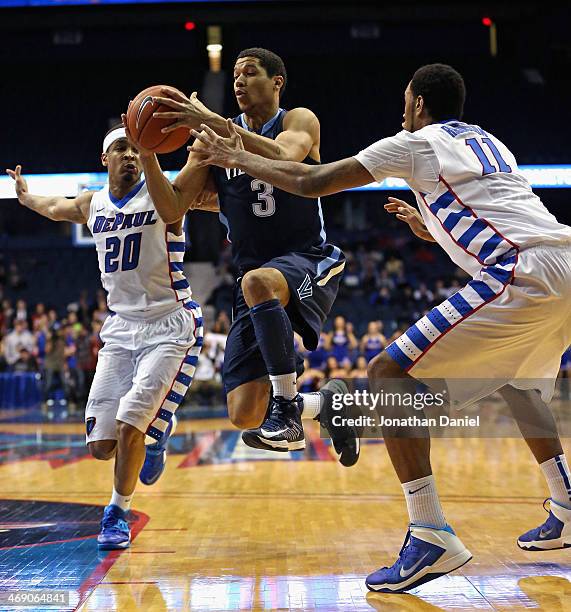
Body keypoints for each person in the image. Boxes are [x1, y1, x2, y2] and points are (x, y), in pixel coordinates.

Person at [190, 63, 571, 592]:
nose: (402, 110)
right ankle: (566, 503)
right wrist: (431, 228)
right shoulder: (488, 142)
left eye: (405, 101)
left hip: (522, 271)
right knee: (520, 383)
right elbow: (504, 208)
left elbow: (311, 180)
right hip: (563, 260)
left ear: (416, 103)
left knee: (388, 370)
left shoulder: (412, 143)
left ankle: (429, 530)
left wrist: (235, 155)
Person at [129, 47, 359, 465]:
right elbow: (174, 206)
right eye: (234, 75)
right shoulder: (211, 139)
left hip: (307, 257)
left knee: (259, 281)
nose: (237, 81)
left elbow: (286, 157)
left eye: (249, 73)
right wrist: (148, 154)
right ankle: (326, 405)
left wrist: (212, 126)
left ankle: (287, 412)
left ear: (276, 82)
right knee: (244, 412)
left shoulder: (298, 121)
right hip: (253, 276)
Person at [6, 125, 202, 550]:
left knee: (133, 422)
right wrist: (24, 196)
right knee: (100, 446)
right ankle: (160, 429)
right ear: (105, 160)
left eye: (136, 149)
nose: (130, 156)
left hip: (169, 323)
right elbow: (55, 208)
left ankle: (117, 512)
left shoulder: (163, 193)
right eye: (121, 149)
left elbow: (197, 189)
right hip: (120, 327)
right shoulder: (92, 203)